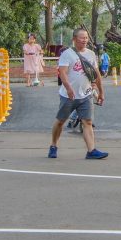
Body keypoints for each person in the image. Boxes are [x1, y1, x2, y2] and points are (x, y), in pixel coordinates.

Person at [49, 29, 107, 160]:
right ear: (74, 39)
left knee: (87, 121)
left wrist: (101, 92)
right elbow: (62, 73)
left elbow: (96, 74)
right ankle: (53, 145)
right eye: (82, 38)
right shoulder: (67, 54)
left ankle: (91, 150)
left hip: (86, 95)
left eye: (86, 37)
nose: (85, 40)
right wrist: (68, 88)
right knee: (60, 122)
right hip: (68, 96)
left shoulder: (91, 54)